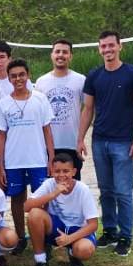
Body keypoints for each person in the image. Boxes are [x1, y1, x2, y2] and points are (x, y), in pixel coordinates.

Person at [77, 30, 133, 257]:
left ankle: (126, 236)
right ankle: (110, 231)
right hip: (100, 141)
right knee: (106, 190)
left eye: (111, 46)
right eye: (103, 47)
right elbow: (88, 109)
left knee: (123, 191)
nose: (107, 50)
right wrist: (80, 138)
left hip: (123, 143)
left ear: (120, 47)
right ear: (99, 49)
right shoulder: (94, 76)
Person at [0, 59, 55, 252]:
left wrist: (51, 158)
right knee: (17, 200)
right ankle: (21, 237)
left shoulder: (40, 99)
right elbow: (1, 138)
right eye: (13, 76)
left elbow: (47, 131)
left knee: (41, 201)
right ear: (9, 79)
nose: (18, 79)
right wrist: (1, 166)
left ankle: (44, 240)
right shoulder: (3, 103)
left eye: (21, 75)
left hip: (37, 159)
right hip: (13, 162)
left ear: (27, 75)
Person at [23, 152, 98, 266]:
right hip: (57, 228)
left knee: (84, 250)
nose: (61, 175)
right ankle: (41, 261)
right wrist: (53, 194)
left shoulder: (82, 189)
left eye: (66, 171)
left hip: (77, 230)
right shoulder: (49, 184)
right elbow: (26, 206)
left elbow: (93, 224)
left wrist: (70, 238)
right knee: (34, 214)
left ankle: (73, 253)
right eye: (57, 171)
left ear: (74, 172)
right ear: (52, 171)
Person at [34, 39, 86, 180]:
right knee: (49, 191)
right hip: (47, 146)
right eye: (57, 51)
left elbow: (88, 109)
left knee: (71, 189)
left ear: (70, 56)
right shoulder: (41, 82)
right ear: (52, 55)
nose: (60, 55)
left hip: (72, 144)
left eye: (65, 52)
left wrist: (81, 138)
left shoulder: (80, 80)